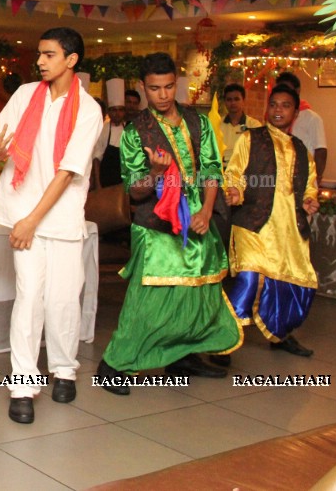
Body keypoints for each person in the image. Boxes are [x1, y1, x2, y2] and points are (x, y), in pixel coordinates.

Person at [95, 53, 242, 395]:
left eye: (168, 87)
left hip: (198, 220)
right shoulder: (135, 132)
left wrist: (206, 211)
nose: (162, 95)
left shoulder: (198, 121)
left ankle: (183, 356)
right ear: (143, 89)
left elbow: (210, 169)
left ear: (176, 84)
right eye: (154, 89)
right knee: (148, 299)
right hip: (156, 224)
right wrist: (157, 173)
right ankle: (113, 365)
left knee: (198, 293)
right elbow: (134, 190)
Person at [0, 27, 102, 424]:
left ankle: (65, 368)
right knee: (29, 297)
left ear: (71, 60)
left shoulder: (88, 110)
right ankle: (22, 385)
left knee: (64, 299)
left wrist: (34, 220)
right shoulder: (24, 95)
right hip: (22, 211)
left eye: (49, 55)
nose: (40, 61)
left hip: (62, 216)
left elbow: (68, 172)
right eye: (39, 54)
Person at [224, 84, 320, 356]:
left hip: (288, 229)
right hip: (254, 224)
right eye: (274, 104)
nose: (278, 110)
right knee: (248, 281)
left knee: (288, 284)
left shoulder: (302, 151)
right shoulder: (251, 138)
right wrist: (234, 191)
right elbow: (234, 173)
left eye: (285, 105)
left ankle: (280, 335)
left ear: (295, 112)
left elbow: (309, 185)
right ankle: (223, 342)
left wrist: (310, 199)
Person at [274, 72, 327, 183]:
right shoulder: (275, 117)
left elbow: (320, 150)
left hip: (303, 178)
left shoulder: (312, 118)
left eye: (287, 88)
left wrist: (315, 179)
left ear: (297, 91)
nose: (284, 92)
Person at [92, 78, 127, 189]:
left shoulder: (130, 130)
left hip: (125, 181)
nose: (117, 114)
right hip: (106, 181)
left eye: (120, 110)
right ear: (109, 112)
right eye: (114, 110)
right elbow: (96, 160)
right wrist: (98, 185)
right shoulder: (102, 130)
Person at [219, 83, 263, 164]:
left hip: (245, 171)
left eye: (236, 99)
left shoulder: (254, 125)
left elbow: (258, 153)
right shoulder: (217, 124)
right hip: (220, 170)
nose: (233, 103)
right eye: (229, 99)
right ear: (225, 102)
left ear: (243, 100)